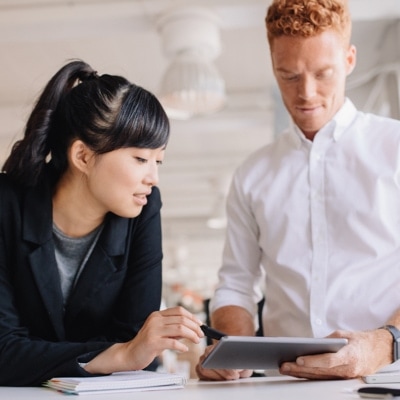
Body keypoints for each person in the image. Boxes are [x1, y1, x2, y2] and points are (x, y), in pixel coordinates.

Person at [196, 0, 400, 381]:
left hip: (389, 379)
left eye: (324, 74)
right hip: (283, 384)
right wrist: (231, 348)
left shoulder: (396, 149)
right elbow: (236, 285)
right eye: (288, 76)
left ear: (350, 59)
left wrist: (385, 342)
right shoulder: (252, 174)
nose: (306, 93)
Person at [0, 59, 204, 386]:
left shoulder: (144, 208)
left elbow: (141, 344)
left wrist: (130, 351)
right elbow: (3, 349)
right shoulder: (7, 204)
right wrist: (119, 355)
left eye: (158, 161)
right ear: (82, 156)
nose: (153, 177)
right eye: (140, 158)